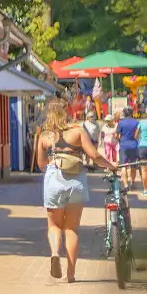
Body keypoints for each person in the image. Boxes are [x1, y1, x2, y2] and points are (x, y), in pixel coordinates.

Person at [34, 98, 109, 283]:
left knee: (54, 226)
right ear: (66, 111)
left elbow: (41, 165)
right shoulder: (77, 131)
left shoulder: (44, 136)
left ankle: (54, 253)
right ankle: (71, 274)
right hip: (76, 180)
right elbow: (95, 155)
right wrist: (111, 166)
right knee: (71, 228)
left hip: (54, 179)